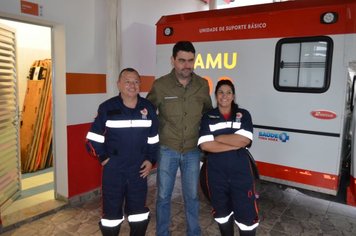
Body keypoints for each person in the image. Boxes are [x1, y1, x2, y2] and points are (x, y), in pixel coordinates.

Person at [147, 41, 212, 236]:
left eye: (190, 60)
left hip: (192, 150)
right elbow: (149, 114)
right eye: (182, 60)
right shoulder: (160, 85)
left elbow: (208, 113)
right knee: (164, 196)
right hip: (167, 148)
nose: (187, 65)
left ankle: (194, 232)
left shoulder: (202, 85)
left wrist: (208, 145)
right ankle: (162, 233)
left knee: (192, 196)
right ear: (173, 60)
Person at [85, 68, 159, 236]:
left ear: (140, 85)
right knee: (111, 216)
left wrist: (150, 160)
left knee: (138, 213)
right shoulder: (107, 108)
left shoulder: (148, 109)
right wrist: (104, 158)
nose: (132, 85)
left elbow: (154, 138)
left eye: (135, 82)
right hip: (114, 170)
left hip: (138, 171)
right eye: (127, 81)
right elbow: (92, 138)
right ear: (119, 84)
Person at [197, 80, 259, 236]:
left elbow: (245, 140)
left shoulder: (243, 114)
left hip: (241, 175)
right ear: (216, 95)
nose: (224, 96)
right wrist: (234, 144)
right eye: (220, 92)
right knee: (222, 215)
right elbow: (205, 146)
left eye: (228, 92)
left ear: (233, 96)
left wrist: (217, 137)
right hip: (216, 175)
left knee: (246, 218)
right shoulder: (208, 116)